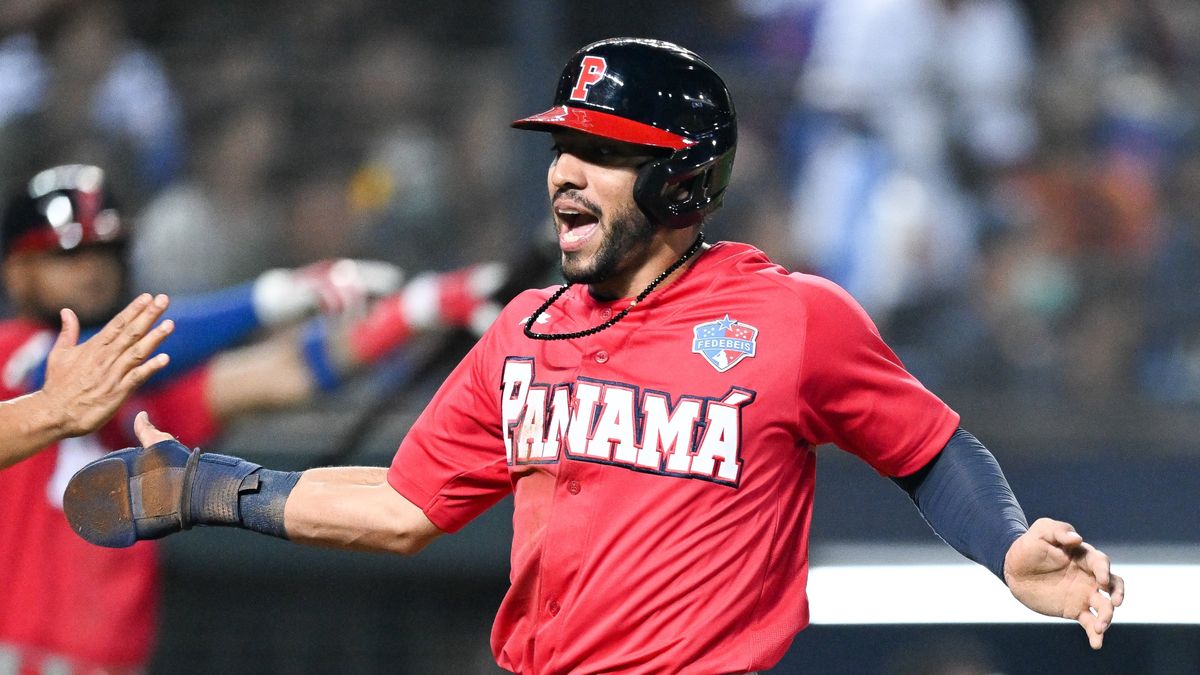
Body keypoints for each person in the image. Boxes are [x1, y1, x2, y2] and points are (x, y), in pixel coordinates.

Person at [66, 38, 1124, 675]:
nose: (565, 171)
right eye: (562, 147)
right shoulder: (523, 330)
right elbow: (404, 507)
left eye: (604, 153)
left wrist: (1007, 542)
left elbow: (928, 451)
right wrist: (213, 488)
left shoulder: (792, 319)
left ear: (683, 181)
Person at [0, 163, 503, 673]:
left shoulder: (138, 398)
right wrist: (264, 298)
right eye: (66, 254)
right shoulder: (10, 358)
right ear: (16, 272)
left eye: (104, 251)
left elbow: (285, 372)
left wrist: (418, 308)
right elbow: (84, 363)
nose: (91, 269)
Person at [0, 291, 172, 469]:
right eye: (66, 262)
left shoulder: (107, 383)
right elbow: (36, 372)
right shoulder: (16, 343)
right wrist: (53, 407)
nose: (89, 271)